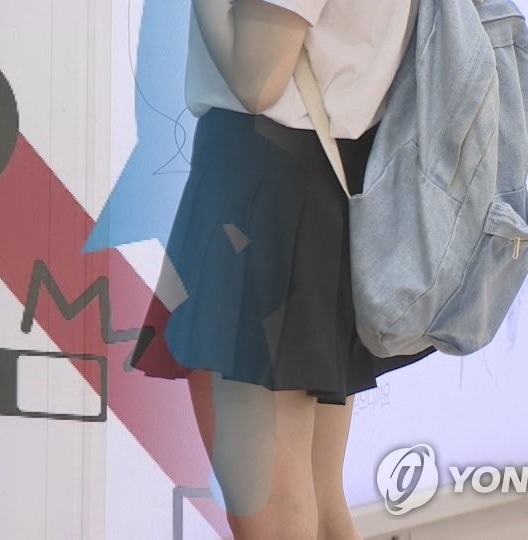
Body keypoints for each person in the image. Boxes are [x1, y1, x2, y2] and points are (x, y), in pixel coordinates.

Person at [128, 1, 436, 538]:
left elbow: (259, 79)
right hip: (323, 184)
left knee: (274, 508)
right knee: (314, 496)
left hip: (264, 192)